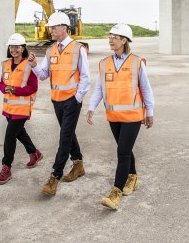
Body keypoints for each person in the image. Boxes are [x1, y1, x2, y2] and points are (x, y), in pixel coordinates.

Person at [86, 23, 154, 209]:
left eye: (115, 37)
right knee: (125, 149)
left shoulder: (136, 62)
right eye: (110, 36)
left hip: (133, 116)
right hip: (113, 116)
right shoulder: (104, 63)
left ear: (124, 40)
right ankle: (132, 176)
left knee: (122, 152)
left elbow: (146, 89)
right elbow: (100, 88)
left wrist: (150, 111)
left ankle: (115, 192)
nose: (111, 40)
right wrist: (91, 107)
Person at [28, 12, 90, 196]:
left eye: (53, 28)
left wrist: (77, 98)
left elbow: (86, 77)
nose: (51, 31)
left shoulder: (78, 49)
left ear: (64, 28)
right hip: (56, 100)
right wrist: (33, 65)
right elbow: (43, 75)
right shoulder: (50, 50)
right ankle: (78, 164)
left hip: (72, 100)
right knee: (68, 133)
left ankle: (55, 176)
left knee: (64, 138)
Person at [0, 33, 43, 185]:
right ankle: (34, 153)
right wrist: (5, 88)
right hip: (9, 108)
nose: (14, 50)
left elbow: (33, 87)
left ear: (23, 49)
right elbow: (1, 84)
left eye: (17, 47)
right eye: (11, 47)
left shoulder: (29, 65)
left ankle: (6, 166)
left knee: (9, 136)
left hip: (21, 109)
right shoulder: (6, 64)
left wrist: (15, 90)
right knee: (19, 133)